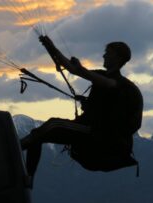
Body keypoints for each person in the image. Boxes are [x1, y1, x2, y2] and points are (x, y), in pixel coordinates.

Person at [21, 35, 143, 183]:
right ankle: (27, 178)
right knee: (39, 134)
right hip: (90, 130)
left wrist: (79, 68)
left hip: (97, 133)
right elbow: (73, 69)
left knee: (52, 125)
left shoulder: (119, 84)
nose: (104, 55)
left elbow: (92, 77)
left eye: (108, 53)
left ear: (117, 58)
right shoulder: (101, 75)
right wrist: (51, 48)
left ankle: (14, 148)